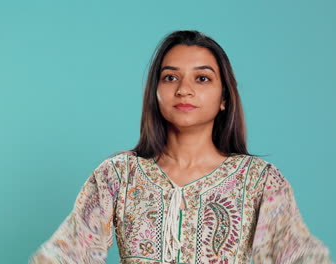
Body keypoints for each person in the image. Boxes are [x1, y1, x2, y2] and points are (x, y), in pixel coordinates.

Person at [28, 30, 333, 263]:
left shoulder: (258, 181)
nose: (184, 90)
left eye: (202, 78)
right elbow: (64, 255)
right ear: (155, 92)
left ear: (224, 97)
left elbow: (301, 256)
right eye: (170, 77)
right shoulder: (118, 176)